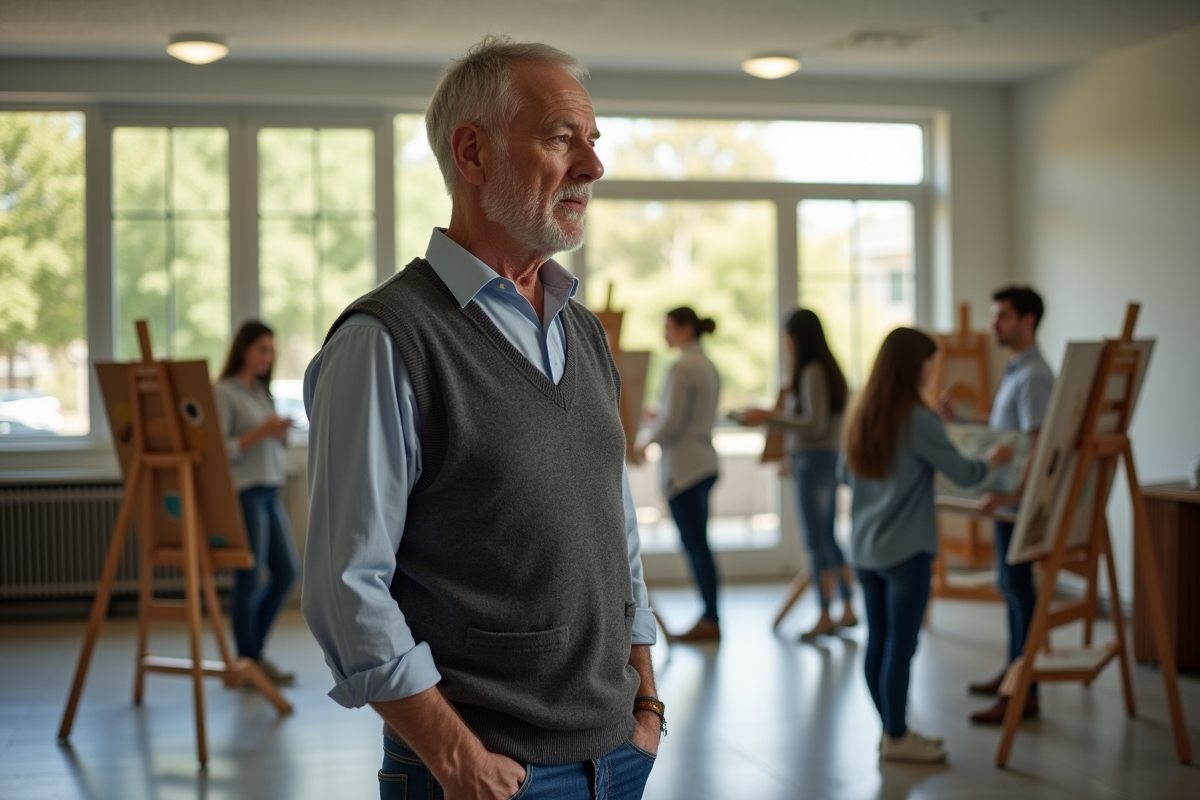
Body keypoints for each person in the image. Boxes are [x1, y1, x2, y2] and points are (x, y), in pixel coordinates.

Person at [301, 37, 662, 800]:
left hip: (618, 755)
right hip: (484, 773)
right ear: (473, 152)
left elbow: (616, 528)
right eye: (563, 138)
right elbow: (345, 587)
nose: (593, 167)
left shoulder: (584, 330)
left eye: (593, 142)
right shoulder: (385, 341)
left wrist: (647, 699)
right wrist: (458, 760)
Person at [843, 327, 1012, 763]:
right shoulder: (919, 420)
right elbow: (965, 473)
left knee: (878, 642)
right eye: (929, 361)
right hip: (906, 551)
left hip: (864, 549)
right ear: (916, 365)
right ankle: (897, 737)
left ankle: (891, 731)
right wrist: (993, 459)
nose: (932, 369)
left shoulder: (862, 413)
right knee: (902, 645)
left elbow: (848, 477)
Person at [945, 286, 1054, 725]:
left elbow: (1039, 444)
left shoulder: (1034, 377)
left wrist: (1014, 496)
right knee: (1011, 588)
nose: (994, 323)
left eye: (1002, 316)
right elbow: (1003, 435)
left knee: (1019, 590)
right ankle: (1013, 673)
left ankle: (1022, 688)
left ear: (1027, 321)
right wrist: (959, 423)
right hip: (1006, 502)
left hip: (1016, 503)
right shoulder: (1015, 370)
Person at [744, 308, 855, 640]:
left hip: (815, 463)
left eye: (787, 337)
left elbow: (814, 423)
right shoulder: (824, 369)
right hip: (818, 460)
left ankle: (825, 613)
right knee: (828, 539)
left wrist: (770, 417)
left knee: (816, 542)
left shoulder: (812, 372)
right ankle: (847, 608)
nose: (785, 344)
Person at [213, 320, 300, 687]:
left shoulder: (263, 394)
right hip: (244, 493)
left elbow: (269, 446)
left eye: (271, 350)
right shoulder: (224, 393)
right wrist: (261, 432)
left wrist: (277, 434)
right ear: (243, 349)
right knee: (249, 578)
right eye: (261, 349)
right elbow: (218, 451)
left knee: (287, 572)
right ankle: (248, 661)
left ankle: (253, 655)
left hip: (270, 490)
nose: (268, 357)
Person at [632, 307, 721, 642]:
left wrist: (643, 444)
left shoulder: (682, 366)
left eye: (668, 327)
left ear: (685, 329)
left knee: (697, 546)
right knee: (700, 544)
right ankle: (710, 615)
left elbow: (672, 423)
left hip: (686, 467)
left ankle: (710, 618)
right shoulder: (706, 364)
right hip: (703, 460)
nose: (664, 334)